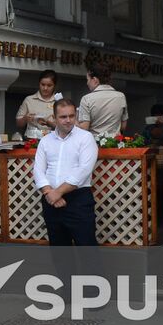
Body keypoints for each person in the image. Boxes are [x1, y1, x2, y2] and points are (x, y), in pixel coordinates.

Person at [33, 99, 98, 246]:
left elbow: (84, 170)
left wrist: (58, 192)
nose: (68, 120)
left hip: (78, 201)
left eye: (71, 116)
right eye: (63, 117)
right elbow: (38, 169)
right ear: (54, 118)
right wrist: (49, 192)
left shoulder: (85, 138)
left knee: (87, 250)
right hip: (50, 200)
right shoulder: (46, 141)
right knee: (59, 252)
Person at [76, 64, 128, 139]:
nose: (87, 83)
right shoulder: (121, 96)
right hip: (114, 145)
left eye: (88, 79)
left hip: (94, 145)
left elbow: (84, 128)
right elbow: (123, 127)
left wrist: (74, 120)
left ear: (95, 80)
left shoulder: (86, 99)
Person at [16, 70, 60, 141]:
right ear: (39, 84)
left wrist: (50, 123)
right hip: (31, 140)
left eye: (49, 85)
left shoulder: (59, 101)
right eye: (42, 84)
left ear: (54, 86)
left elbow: (65, 126)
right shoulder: (29, 100)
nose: (45, 88)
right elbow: (19, 124)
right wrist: (25, 118)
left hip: (53, 139)